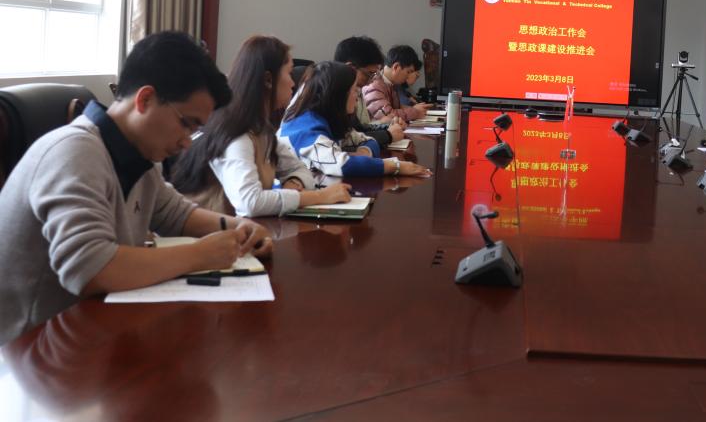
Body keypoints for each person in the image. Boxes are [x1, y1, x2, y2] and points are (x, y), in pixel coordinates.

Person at [0, 31, 276, 345]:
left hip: (84, 335)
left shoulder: (139, 155)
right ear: (145, 100)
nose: (187, 142)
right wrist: (201, 255)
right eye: (186, 123)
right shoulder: (75, 151)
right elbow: (90, 268)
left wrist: (240, 228)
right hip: (26, 350)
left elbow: (175, 214)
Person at [171, 35, 351, 217]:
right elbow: (249, 202)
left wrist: (294, 183)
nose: (293, 83)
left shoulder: (261, 131)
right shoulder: (237, 134)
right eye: (289, 73)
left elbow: (299, 169)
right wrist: (319, 197)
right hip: (206, 233)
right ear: (268, 80)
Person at [279, 62, 431, 178]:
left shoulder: (330, 119)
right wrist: (395, 166)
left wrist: (364, 152)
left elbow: (367, 140)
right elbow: (342, 165)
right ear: (337, 96)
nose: (357, 97)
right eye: (354, 91)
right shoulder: (304, 128)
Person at [333, 35, 404, 147]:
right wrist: (388, 135)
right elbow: (344, 141)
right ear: (351, 68)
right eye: (370, 74)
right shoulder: (332, 96)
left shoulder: (355, 90)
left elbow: (359, 129)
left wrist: (388, 126)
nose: (371, 81)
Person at [363, 44, 432, 121]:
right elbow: (386, 115)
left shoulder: (391, 84)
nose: (408, 76)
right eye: (408, 72)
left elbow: (395, 108)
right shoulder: (374, 85)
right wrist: (415, 112)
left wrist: (416, 109)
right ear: (396, 67)